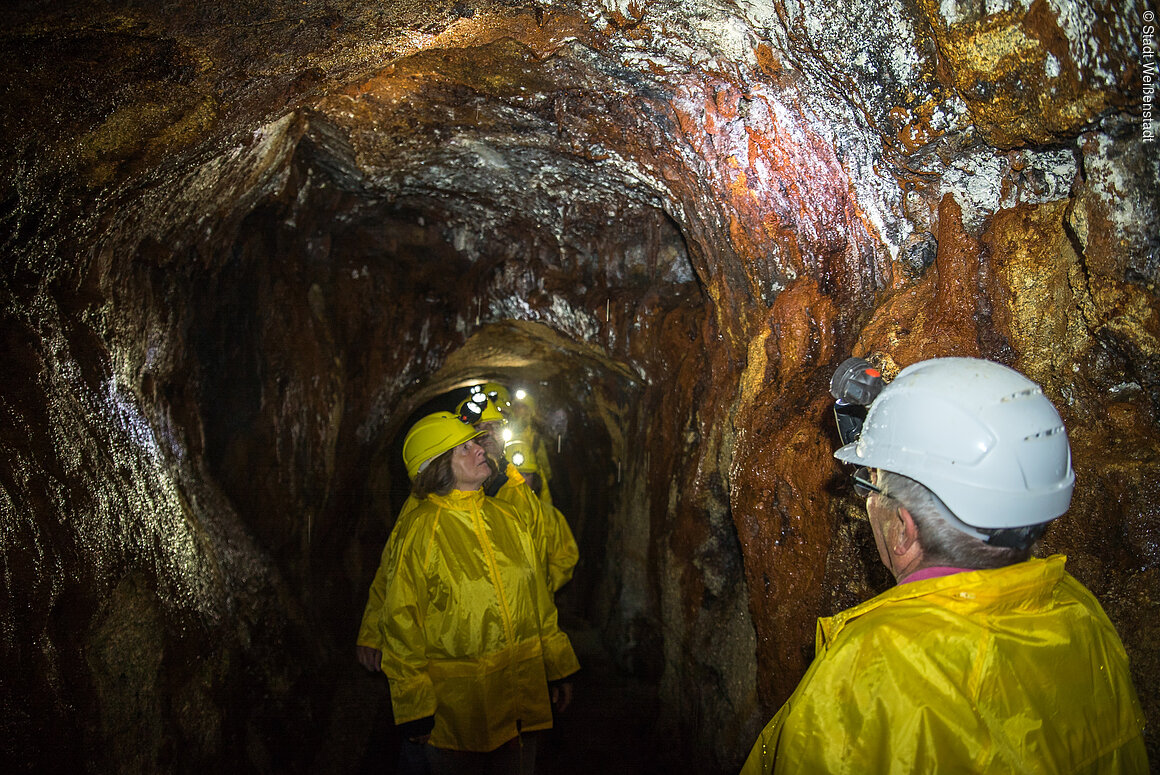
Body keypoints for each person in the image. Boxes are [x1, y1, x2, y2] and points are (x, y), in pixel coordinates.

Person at [741, 357, 1148, 774]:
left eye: (871, 485)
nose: (867, 498)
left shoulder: (872, 670)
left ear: (903, 530)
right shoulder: (1080, 616)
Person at [359, 412, 579, 774]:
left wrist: (556, 668)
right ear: (436, 466)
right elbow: (402, 623)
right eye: (464, 447)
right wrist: (414, 708)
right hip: (458, 717)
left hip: (521, 705)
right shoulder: (420, 529)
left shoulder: (508, 518)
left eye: (475, 442)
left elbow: (539, 603)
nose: (478, 449)